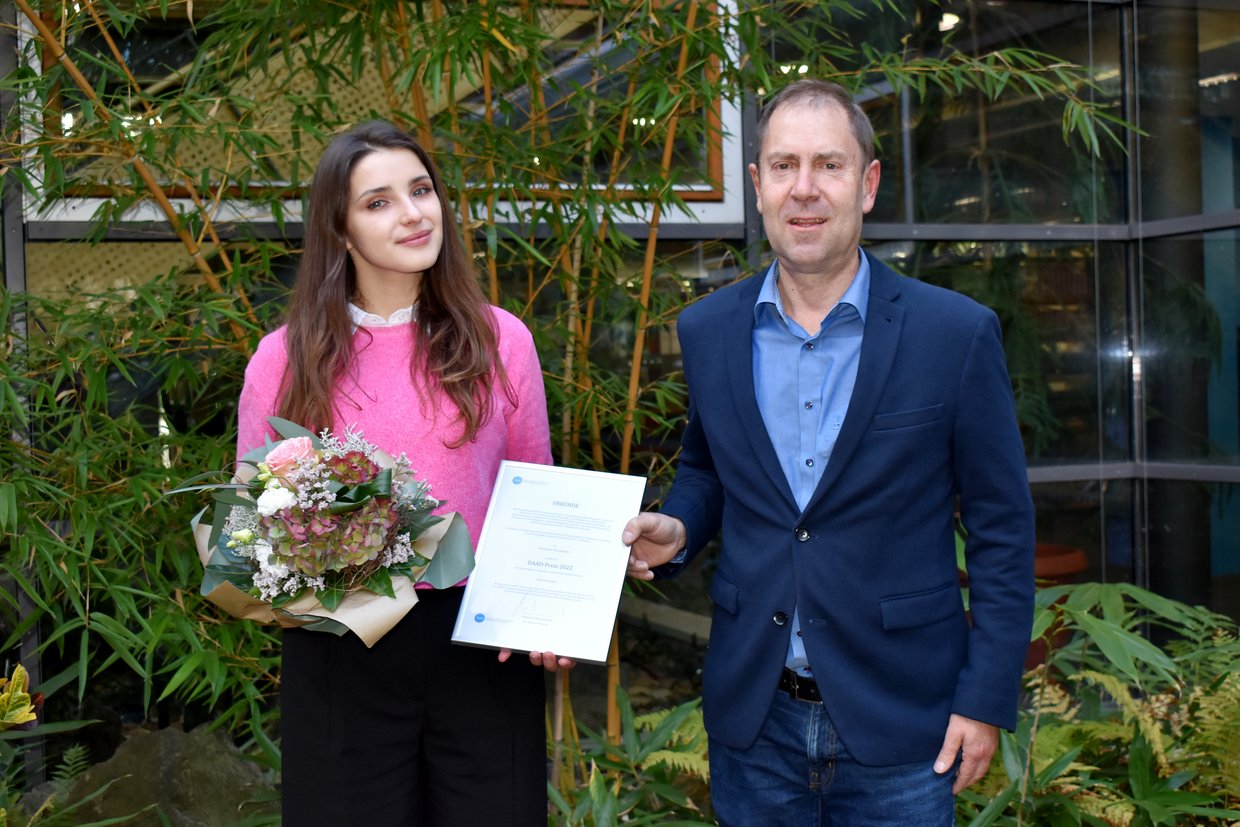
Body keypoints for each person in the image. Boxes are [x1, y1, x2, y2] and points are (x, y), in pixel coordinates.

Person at [622, 80, 1035, 825]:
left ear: (868, 183)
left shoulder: (956, 334)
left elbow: (1003, 527)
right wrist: (678, 527)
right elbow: (709, 471)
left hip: (905, 723)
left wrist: (985, 697)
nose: (804, 189)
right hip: (756, 723)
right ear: (757, 185)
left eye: (829, 165)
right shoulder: (709, 329)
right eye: (783, 166)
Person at [237, 120, 571, 826]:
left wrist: (551, 606)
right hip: (340, 645)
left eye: (421, 190)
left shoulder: (498, 337)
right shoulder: (283, 359)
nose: (414, 213)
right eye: (379, 201)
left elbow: (533, 490)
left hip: (481, 646)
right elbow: (249, 528)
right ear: (340, 228)